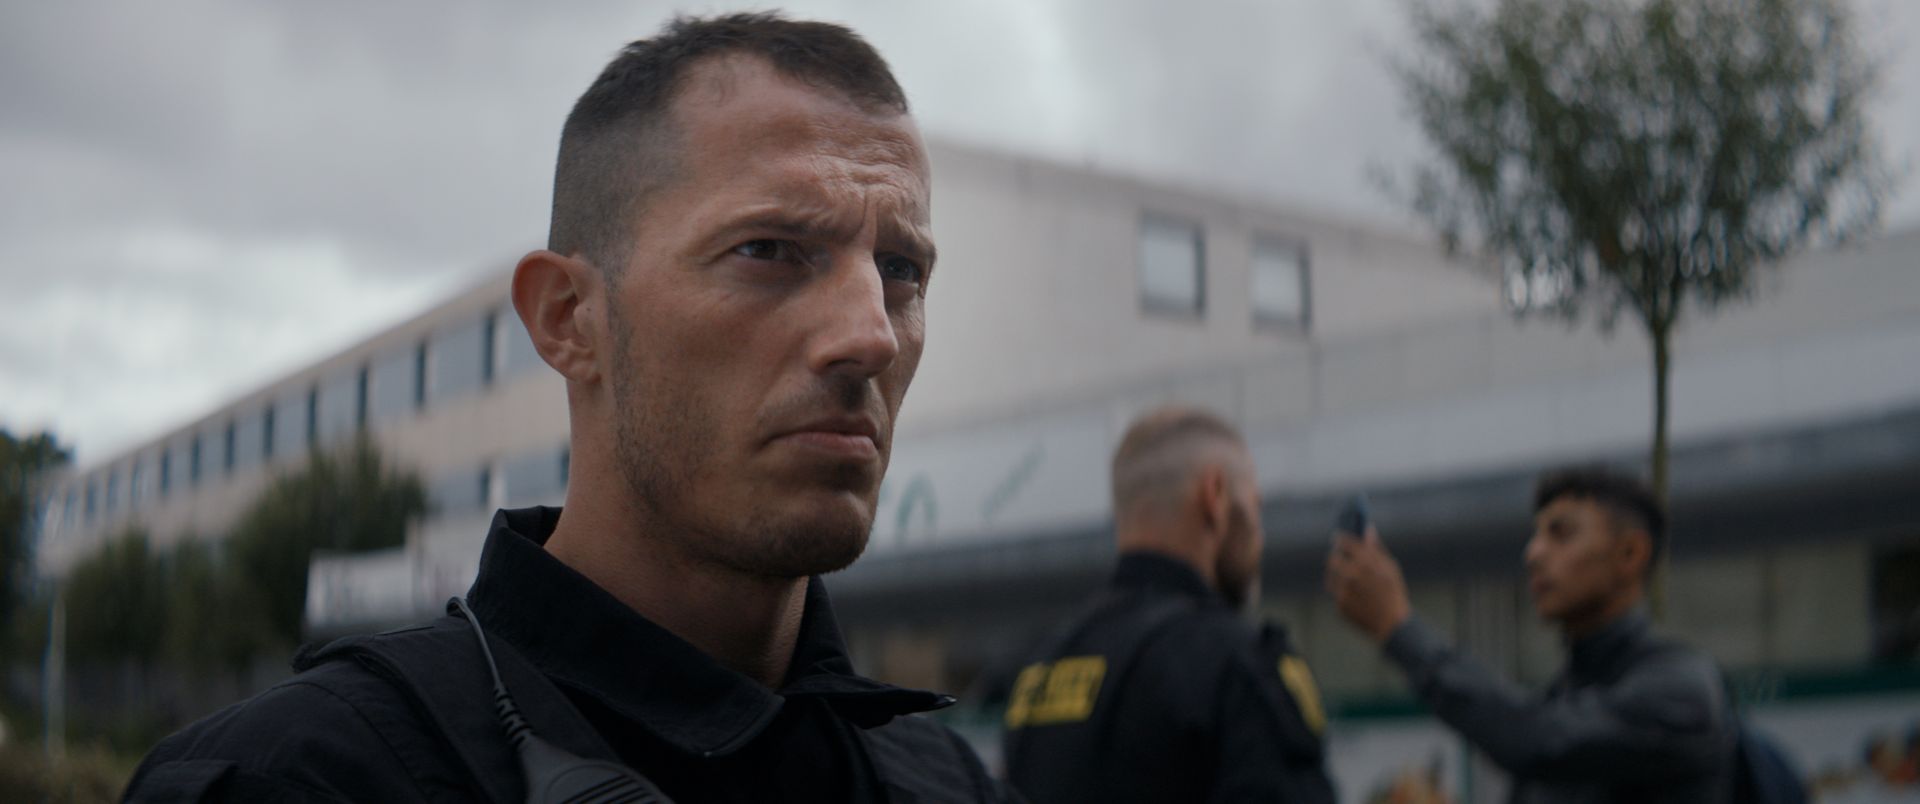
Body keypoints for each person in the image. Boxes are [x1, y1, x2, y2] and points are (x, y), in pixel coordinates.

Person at [123, 13, 1013, 803]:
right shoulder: (303, 777)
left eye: (901, 269)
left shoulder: (950, 784)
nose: (871, 335)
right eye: (770, 250)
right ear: (568, 319)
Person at [1326, 466, 1735, 803]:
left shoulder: (1681, 688)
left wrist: (1399, 627)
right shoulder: (1566, 694)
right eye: (1537, 536)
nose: (1534, 553)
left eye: (1561, 533)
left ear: (1630, 553)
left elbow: (1537, 740)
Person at [1001, 406, 1336, 804]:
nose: (1259, 537)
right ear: (1215, 496)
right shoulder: (1236, 664)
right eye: (1255, 506)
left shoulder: (1040, 672)